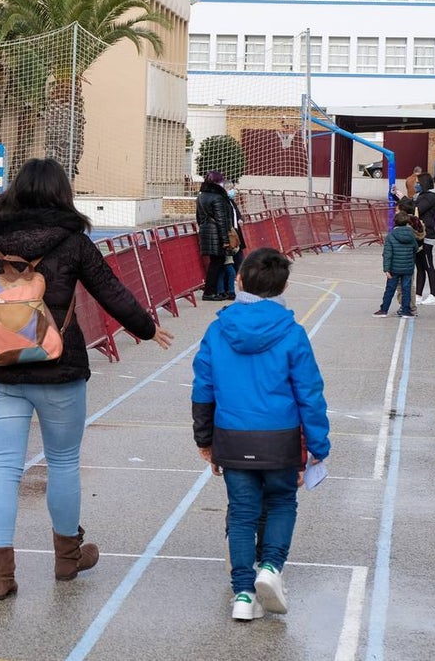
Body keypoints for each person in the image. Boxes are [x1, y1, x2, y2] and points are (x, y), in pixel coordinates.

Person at [0, 158, 174, 601]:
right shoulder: (73, 243)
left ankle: (0, 574)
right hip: (60, 369)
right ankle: (67, 558)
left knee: (4, 465)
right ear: (62, 194)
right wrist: (148, 329)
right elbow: (110, 291)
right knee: (63, 462)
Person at [191, 247, 331, 621]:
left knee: (241, 513)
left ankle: (241, 592)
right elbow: (310, 394)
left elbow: (202, 387)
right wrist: (318, 445)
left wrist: (205, 439)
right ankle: (270, 568)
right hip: (280, 437)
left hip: (233, 436)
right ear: (284, 285)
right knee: (283, 502)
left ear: (239, 281)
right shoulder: (293, 332)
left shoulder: (218, 329)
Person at [374, 211, 419, 318]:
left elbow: (387, 253)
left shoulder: (391, 236)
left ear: (395, 222)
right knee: (406, 289)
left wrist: (386, 269)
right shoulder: (411, 235)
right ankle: (406, 311)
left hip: (394, 268)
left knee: (390, 289)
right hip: (408, 267)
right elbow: (415, 248)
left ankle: (384, 309)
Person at [196, 170, 233, 301]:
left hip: (206, 232)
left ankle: (214, 291)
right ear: (217, 182)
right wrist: (225, 240)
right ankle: (210, 292)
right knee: (216, 264)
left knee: (214, 263)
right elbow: (221, 221)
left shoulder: (201, 196)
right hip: (216, 234)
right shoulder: (218, 197)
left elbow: (198, 218)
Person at [410, 172, 435, 304]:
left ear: (423, 183)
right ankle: (418, 294)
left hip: (427, 235)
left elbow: (417, 209)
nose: (416, 184)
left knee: (428, 264)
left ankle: (433, 295)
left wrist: (404, 201)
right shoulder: (420, 196)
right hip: (419, 235)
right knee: (420, 266)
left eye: (418, 183)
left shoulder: (430, 197)